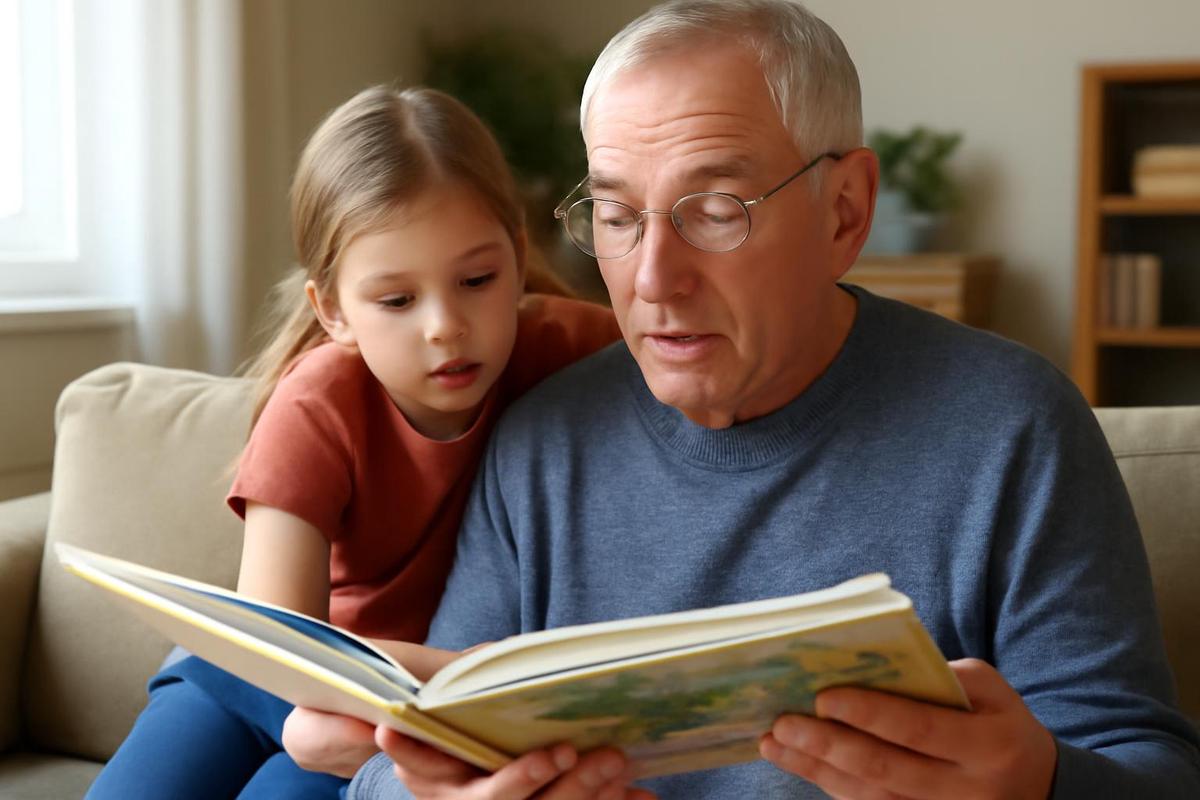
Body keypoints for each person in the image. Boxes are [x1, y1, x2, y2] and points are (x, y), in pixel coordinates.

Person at [285, 2, 1200, 798]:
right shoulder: (542, 442)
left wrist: (1038, 783)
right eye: (615, 215)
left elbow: (1152, 773)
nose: (651, 279)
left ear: (845, 211)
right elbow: (399, 762)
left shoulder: (1014, 428)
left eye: (715, 210)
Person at [84, 85, 620, 800]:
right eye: (397, 300)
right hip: (252, 685)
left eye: (478, 279)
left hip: (383, 715)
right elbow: (278, 649)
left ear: (518, 260)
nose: (445, 326)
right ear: (332, 309)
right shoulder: (317, 407)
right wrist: (476, 666)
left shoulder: (576, 349)